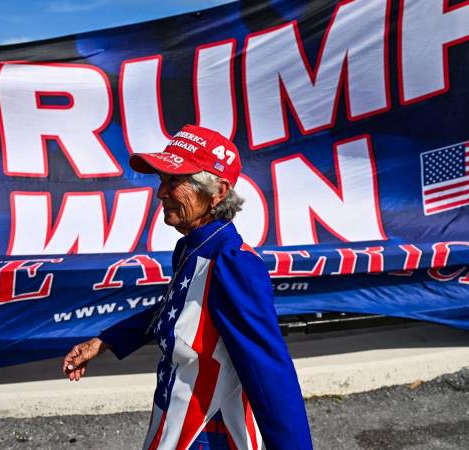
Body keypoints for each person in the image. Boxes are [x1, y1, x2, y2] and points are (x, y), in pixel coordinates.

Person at [62, 125, 313, 449]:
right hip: (173, 426)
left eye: (174, 181)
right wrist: (104, 342)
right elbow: (178, 308)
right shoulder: (192, 248)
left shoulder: (233, 263)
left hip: (210, 435)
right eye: (162, 180)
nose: (160, 192)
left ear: (218, 192)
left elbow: (268, 369)